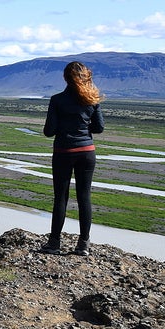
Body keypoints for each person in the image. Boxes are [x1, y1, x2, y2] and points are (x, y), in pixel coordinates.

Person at [40, 61, 104, 256]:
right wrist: (83, 129)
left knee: (61, 197)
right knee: (84, 197)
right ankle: (83, 244)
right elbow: (99, 128)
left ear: (65, 78)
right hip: (87, 152)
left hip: (64, 153)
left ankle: (54, 243)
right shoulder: (92, 99)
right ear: (86, 76)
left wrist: (64, 128)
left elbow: (49, 131)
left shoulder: (57, 100)